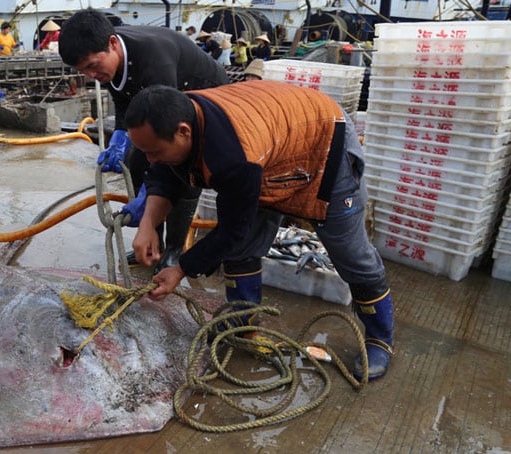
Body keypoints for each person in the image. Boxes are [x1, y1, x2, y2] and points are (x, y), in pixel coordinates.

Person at [124, 82, 395, 381]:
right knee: (243, 246)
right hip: (270, 146)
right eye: (144, 151)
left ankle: (379, 339)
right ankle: (242, 320)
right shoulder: (174, 117)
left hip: (322, 139)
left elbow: (231, 230)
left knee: (349, 252)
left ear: (184, 132)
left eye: (155, 151)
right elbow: (163, 174)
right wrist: (148, 223)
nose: (150, 158)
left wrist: (180, 269)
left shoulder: (231, 156)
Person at [59, 8, 229, 270]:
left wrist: (150, 197)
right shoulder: (109, 59)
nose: (90, 75)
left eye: (92, 66)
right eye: (83, 70)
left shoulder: (154, 62)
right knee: (137, 159)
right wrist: (119, 139)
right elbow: (123, 97)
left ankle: (174, 249)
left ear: (113, 44)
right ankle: (155, 244)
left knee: (182, 168)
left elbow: (166, 137)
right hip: (165, 97)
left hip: (205, 96)